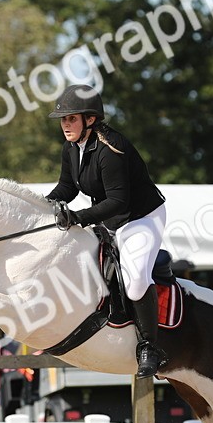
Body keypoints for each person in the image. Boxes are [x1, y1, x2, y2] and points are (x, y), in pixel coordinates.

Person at [45, 84, 169, 377]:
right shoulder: (71, 148)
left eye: (71, 118)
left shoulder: (111, 148)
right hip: (109, 220)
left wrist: (78, 217)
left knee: (136, 280)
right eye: (63, 119)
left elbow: (118, 201)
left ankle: (150, 346)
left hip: (141, 219)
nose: (65, 124)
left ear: (90, 119)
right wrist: (42, 207)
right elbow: (67, 188)